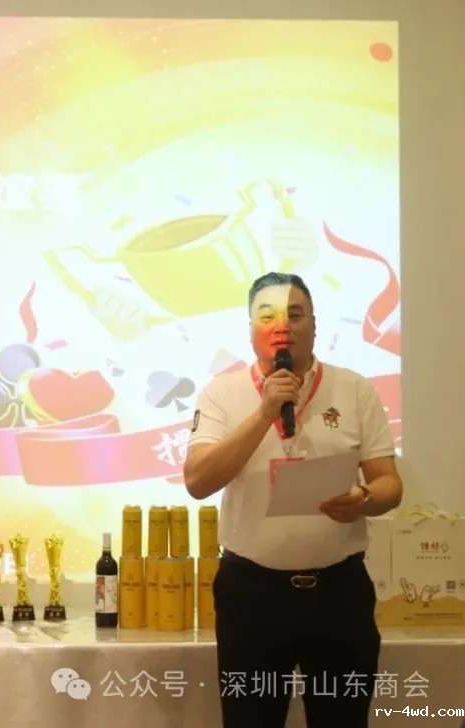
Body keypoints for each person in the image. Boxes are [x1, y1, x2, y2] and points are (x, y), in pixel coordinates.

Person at [183, 272, 402, 728]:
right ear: (250, 329)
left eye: (295, 315)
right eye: (267, 316)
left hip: (339, 593)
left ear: (315, 325)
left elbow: (389, 484)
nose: (282, 327)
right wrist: (265, 411)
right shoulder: (222, 393)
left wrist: (363, 498)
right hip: (252, 594)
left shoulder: (354, 389)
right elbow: (198, 481)